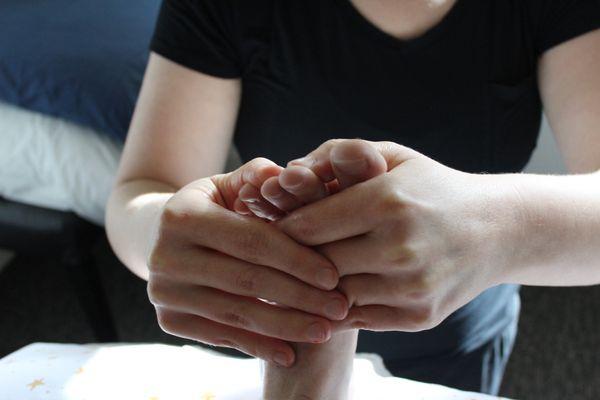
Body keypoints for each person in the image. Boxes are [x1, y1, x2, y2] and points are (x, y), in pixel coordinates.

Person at [104, 0, 600, 398]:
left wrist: (496, 226)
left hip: (453, 346)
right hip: (262, 338)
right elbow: (141, 190)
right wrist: (167, 233)